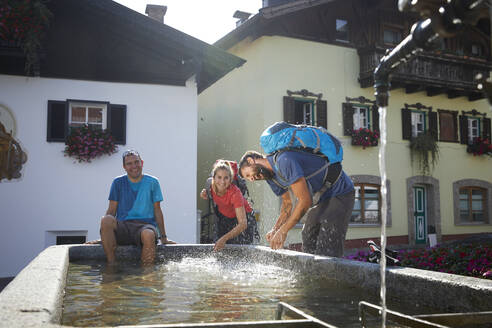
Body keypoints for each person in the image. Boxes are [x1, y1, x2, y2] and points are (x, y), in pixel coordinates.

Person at [238, 150, 355, 257]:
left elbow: (305, 201)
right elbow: (287, 204)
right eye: (248, 179)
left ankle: (330, 276)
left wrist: (283, 231)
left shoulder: (284, 160)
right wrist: (276, 229)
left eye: (248, 175)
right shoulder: (270, 177)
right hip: (321, 196)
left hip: (340, 191)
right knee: (308, 234)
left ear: (250, 160)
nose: (251, 179)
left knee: (327, 242)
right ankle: (311, 276)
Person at [99, 149, 175, 264]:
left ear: (142, 163)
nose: (134, 166)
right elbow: (111, 210)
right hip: (123, 226)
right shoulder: (117, 182)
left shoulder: (153, 182)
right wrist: (105, 235)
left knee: (149, 235)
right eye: (129, 163)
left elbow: (157, 210)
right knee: (106, 220)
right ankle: (111, 265)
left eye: (136, 162)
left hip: (145, 227)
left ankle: (146, 276)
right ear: (124, 167)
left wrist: (163, 237)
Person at [200, 160, 257, 251]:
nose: (222, 182)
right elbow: (205, 192)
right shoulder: (210, 186)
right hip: (225, 218)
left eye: (226, 178)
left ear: (230, 179)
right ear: (213, 178)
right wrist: (203, 193)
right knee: (220, 249)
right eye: (219, 177)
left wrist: (224, 238)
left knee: (242, 252)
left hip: (244, 219)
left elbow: (243, 224)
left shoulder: (235, 193)